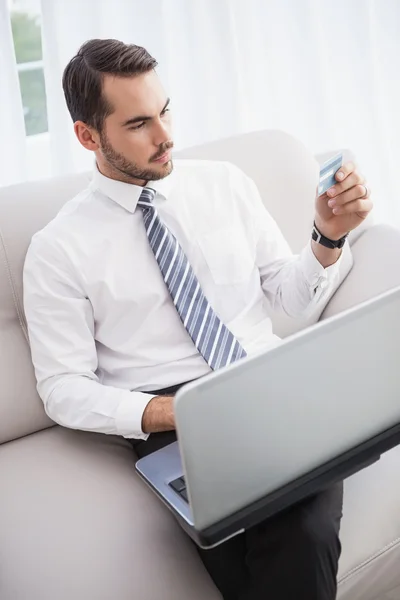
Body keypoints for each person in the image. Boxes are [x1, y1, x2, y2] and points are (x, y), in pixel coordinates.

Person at [23, 38, 373, 600]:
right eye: (138, 124)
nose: (166, 137)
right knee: (260, 542)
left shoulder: (225, 184)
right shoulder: (57, 249)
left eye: (165, 111)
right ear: (88, 136)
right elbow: (63, 389)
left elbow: (287, 300)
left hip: (267, 386)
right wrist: (174, 412)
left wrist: (327, 238)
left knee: (299, 528)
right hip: (171, 423)